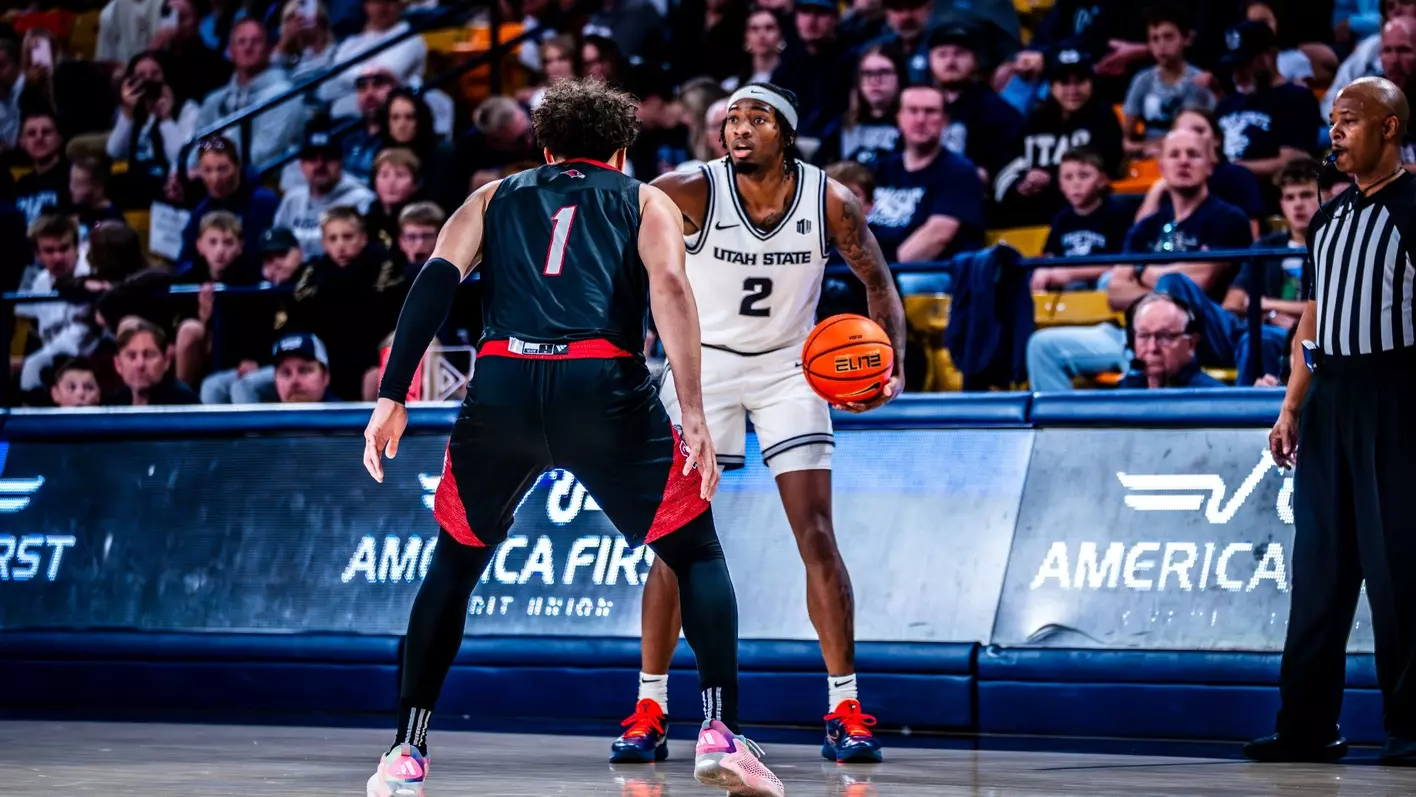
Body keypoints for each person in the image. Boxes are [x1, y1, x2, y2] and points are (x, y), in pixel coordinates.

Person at [360, 77, 784, 797]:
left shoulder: (492, 197)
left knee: (454, 566)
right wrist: (695, 414)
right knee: (694, 550)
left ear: (545, 145)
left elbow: (433, 282)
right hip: (602, 384)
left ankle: (405, 751)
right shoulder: (644, 196)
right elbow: (670, 292)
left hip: (504, 384)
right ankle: (720, 731)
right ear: (620, 149)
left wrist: (392, 394)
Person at [613, 81, 906, 767]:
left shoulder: (830, 200)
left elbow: (878, 280)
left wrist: (888, 368)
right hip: (703, 367)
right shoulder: (686, 189)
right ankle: (651, 705)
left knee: (817, 535)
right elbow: (618, 247)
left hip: (790, 369)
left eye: (757, 119)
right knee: (673, 542)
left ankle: (845, 703)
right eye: (732, 119)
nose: (739, 129)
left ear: (787, 132)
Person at [1247, 76, 1416, 766]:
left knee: (1400, 571)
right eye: (1332, 120)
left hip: (1399, 393)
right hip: (1330, 398)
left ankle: (1410, 726)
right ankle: (1307, 726)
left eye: (1350, 120)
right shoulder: (1327, 220)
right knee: (1318, 571)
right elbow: (1311, 323)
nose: (1336, 131)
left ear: (1389, 128)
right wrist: (1292, 405)